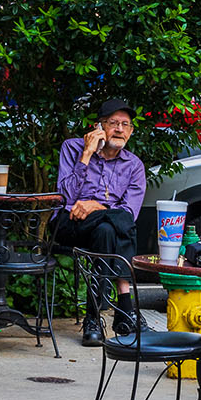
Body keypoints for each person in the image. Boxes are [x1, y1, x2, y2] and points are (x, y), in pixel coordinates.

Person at [54, 98, 147, 346]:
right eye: (113, 123)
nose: (119, 129)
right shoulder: (72, 148)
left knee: (108, 228)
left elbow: (129, 212)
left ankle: (93, 319)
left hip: (104, 229)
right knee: (116, 224)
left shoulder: (134, 165)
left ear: (131, 131)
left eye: (125, 124)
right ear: (99, 127)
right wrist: (86, 154)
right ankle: (125, 308)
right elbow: (66, 197)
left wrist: (97, 206)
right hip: (70, 223)